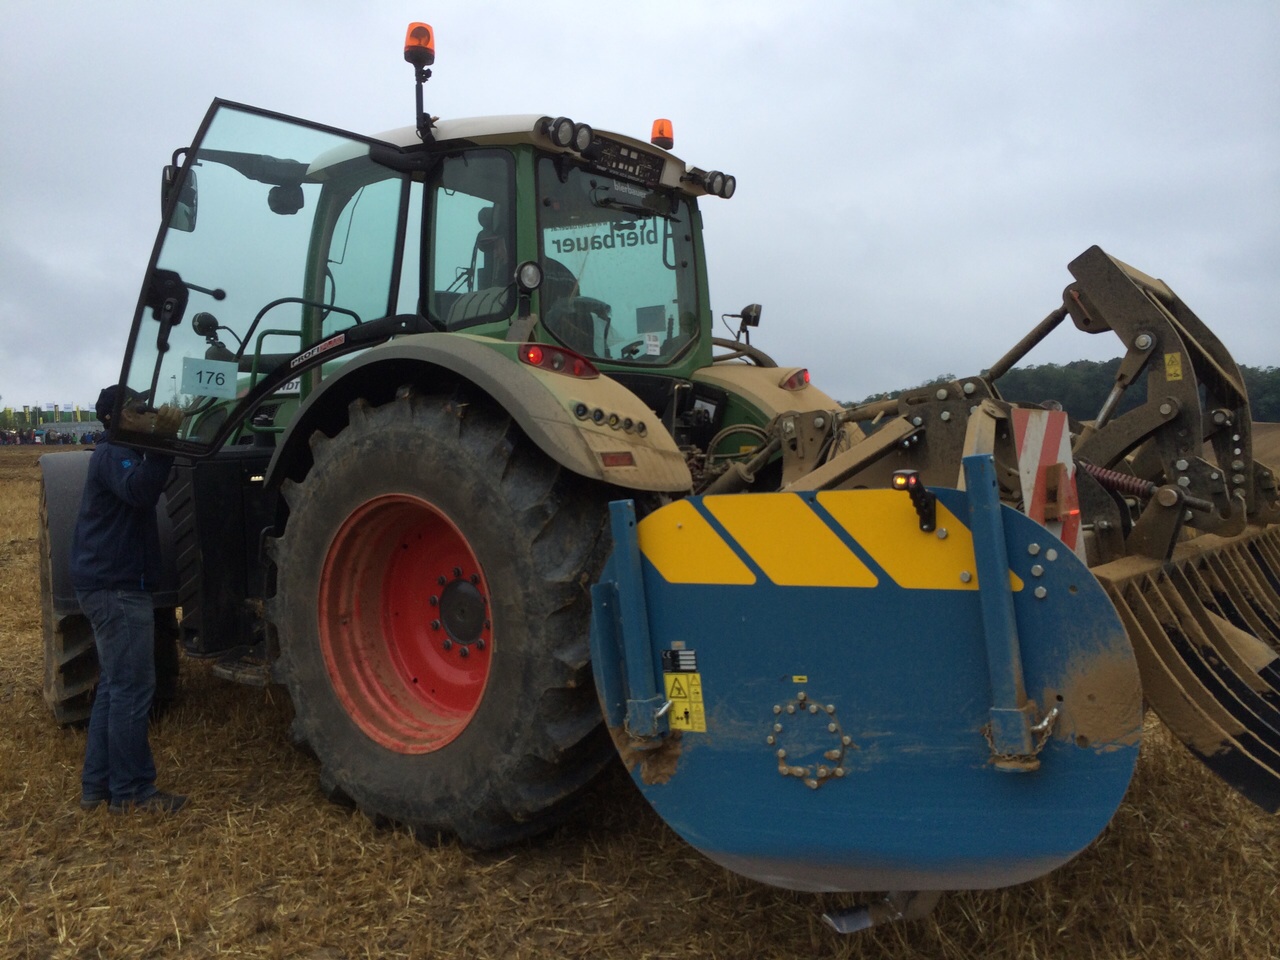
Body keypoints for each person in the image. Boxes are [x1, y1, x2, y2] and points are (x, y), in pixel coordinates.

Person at [71, 384, 186, 814]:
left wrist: (159, 444)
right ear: (114, 417)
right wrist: (164, 444)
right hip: (116, 588)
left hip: (110, 583)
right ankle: (132, 791)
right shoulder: (113, 453)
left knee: (116, 687)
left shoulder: (122, 451)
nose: (147, 413)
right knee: (134, 688)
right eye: (139, 408)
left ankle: (97, 787)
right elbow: (140, 491)